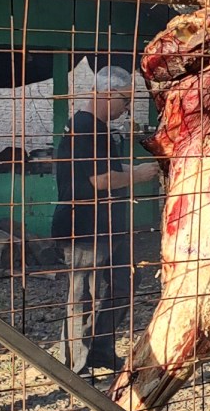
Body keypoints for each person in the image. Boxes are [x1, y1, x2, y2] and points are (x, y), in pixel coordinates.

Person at [52, 65, 159, 379]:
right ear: (109, 95)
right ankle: (73, 365)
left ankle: (100, 349)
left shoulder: (97, 130)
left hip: (106, 223)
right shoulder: (85, 128)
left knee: (124, 282)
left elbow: (109, 167)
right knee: (83, 293)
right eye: (126, 102)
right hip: (82, 225)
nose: (127, 110)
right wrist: (138, 175)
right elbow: (99, 179)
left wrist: (141, 166)